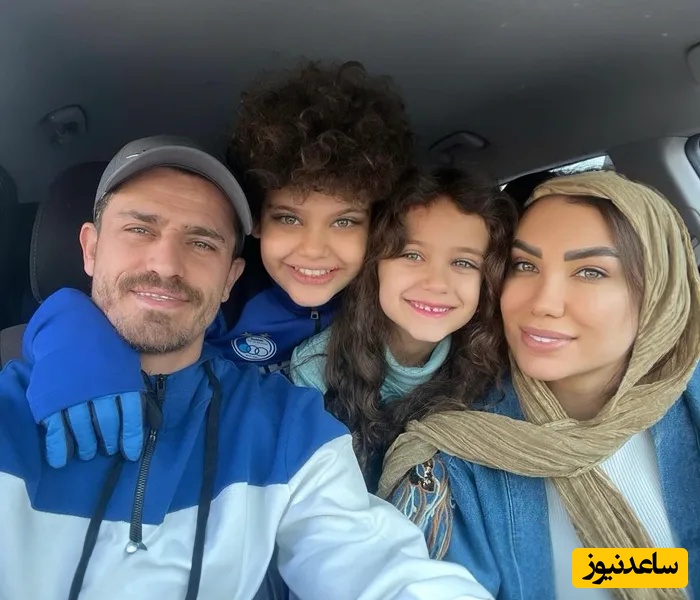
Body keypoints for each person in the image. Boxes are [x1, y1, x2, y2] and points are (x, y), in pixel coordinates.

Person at [0, 135, 494, 600]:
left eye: (202, 242)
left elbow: (379, 570)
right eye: (139, 229)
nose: (166, 263)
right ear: (89, 249)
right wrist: (61, 321)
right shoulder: (12, 407)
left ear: (231, 276)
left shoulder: (289, 427)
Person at [27, 60, 414, 467]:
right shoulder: (214, 291)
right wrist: (67, 330)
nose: (315, 249)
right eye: (288, 218)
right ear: (258, 221)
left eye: (344, 221)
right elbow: (130, 319)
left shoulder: (382, 299)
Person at [378, 171, 700, 599]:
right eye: (525, 266)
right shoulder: (453, 465)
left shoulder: (689, 403)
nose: (543, 303)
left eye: (590, 272)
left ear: (660, 292)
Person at [290, 167, 516, 491]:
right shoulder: (315, 369)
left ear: (486, 282)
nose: (436, 283)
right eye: (412, 254)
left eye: (463, 263)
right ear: (375, 265)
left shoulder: (494, 378)